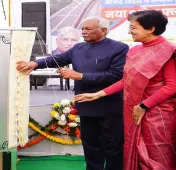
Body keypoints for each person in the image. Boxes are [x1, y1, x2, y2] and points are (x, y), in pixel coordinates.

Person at [73, 10, 176, 170]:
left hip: (159, 115)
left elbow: (172, 86)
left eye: (133, 28)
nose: (129, 31)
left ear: (151, 29)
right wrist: (98, 94)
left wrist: (144, 106)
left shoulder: (169, 51)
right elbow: (127, 80)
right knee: (135, 154)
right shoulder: (134, 51)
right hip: (134, 111)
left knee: (159, 156)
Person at [17, 17, 129, 170]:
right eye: (82, 29)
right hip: (85, 105)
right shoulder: (78, 48)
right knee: (90, 146)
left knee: (112, 146)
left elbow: (116, 75)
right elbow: (56, 59)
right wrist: (35, 63)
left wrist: (80, 76)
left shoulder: (119, 48)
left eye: (88, 29)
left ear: (103, 31)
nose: (83, 31)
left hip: (109, 106)